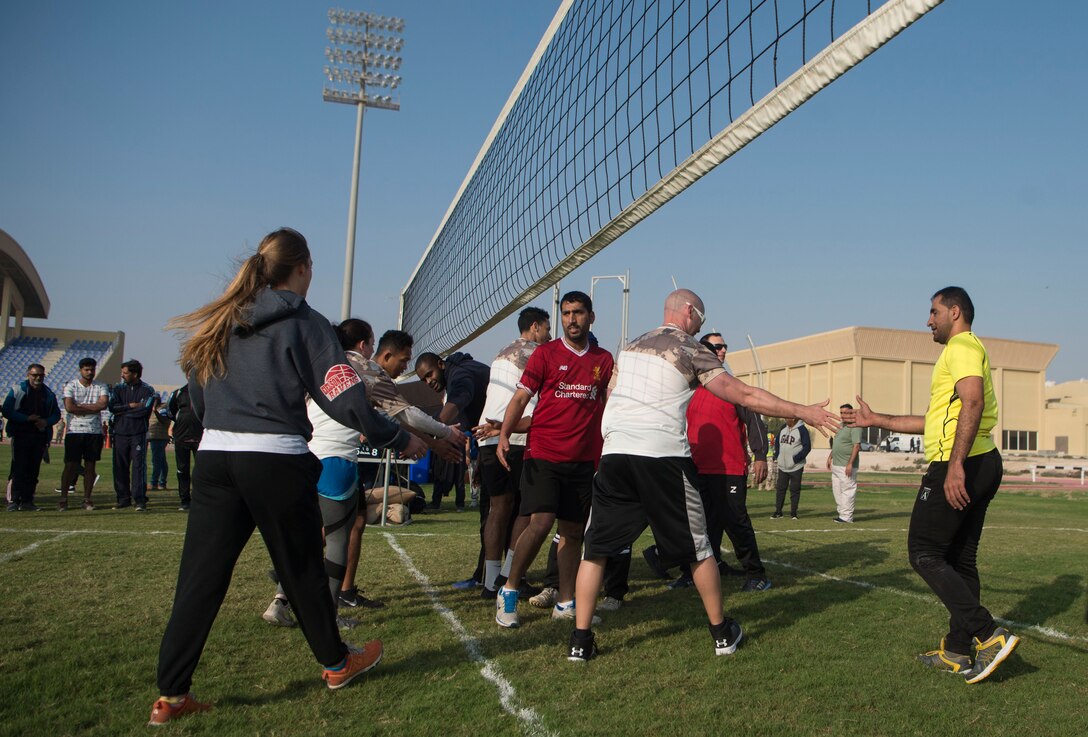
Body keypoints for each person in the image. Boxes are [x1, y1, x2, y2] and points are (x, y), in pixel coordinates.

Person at [149, 227, 428, 726]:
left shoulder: (222, 318)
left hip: (215, 458)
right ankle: (338, 664)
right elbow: (345, 399)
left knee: (199, 580)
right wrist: (397, 438)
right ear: (302, 268)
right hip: (275, 457)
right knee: (302, 570)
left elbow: (195, 395)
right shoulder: (306, 321)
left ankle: (170, 697)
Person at [567, 289, 839, 662]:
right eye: (701, 318)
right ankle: (722, 633)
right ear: (690, 313)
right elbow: (743, 394)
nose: (701, 325)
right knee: (699, 548)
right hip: (661, 455)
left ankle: (580, 641)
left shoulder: (629, 347)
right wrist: (801, 410)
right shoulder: (690, 348)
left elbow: (614, 394)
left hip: (615, 454)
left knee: (595, 549)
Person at [843, 286, 1018, 684]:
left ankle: (989, 635)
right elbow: (932, 421)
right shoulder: (958, 354)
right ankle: (957, 651)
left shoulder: (961, 348)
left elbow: (972, 403)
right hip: (981, 461)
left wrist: (955, 465)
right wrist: (877, 420)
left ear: (954, 312)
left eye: (933, 311)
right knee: (960, 560)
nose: (928, 320)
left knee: (923, 552)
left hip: (964, 463)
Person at [495, 292, 613, 628]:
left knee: (572, 532)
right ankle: (509, 590)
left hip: (583, 459)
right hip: (543, 453)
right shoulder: (545, 354)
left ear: (591, 317)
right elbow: (521, 398)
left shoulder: (604, 360)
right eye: (566, 313)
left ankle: (565, 601)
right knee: (541, 522)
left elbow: (607, 402)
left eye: (578, 313)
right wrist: (504, 435)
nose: (571, 319)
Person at [340, 325, 464, 608]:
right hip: (333, 455)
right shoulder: (369, 371)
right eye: (404, 360)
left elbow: (396, 421)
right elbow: (407, 415)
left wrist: (431, 443)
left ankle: (342, 591)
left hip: (329, 454)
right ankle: (290, 584)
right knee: (337, 526)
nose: (406, 366)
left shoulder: (343, 366)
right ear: (383, 354)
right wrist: (445, 433)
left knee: (355, 520)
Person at [684, 332, 773, 592]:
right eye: (717, 347)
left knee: (735, 521)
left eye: (724, 347)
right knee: (701, 525)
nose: (723, 351)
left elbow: (755, 421)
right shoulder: (689, 389)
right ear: (702, 350)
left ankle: (757, 574)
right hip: (696, 467)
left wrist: (759, 455)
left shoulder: (731, 387)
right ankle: (704, 570)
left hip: (729, 469)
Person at [474, 307, 550, 598]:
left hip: (490, 435)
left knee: (497, 508)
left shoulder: (501, 352)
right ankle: (509, 574)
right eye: (546, 328)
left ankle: (490, 579)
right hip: (515, 436)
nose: (549, 333)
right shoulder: (538, 354)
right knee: (525, 510)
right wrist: (505, 428)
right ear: (534, 328)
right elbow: (537, 405)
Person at [415, 348, 491, 587]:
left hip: (507, 444)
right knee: (491, 515)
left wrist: (434, 428)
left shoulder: (461, 374)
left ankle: (495, 577)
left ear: (441, 364)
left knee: (496, 516)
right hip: (491, 444)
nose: (429, 382)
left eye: (429, 375)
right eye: (423, 380)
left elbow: (462, 395)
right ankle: (488, 575)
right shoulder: (462, 371)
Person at [2, 364, 61, 512]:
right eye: (35, 375)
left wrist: (46, 422)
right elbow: (7, 410)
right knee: (18, 468)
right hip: (20, 434)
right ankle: (14, 501)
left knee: (33, 470)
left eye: (41, 375)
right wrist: (26, 418)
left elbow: (56, 414)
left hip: (39, 435)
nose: (38, 378)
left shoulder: (48, 394)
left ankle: (28, 501)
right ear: (28, 374)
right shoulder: (18, 390)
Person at [108, 359, 159, 511]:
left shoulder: (147, 389)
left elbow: (144, 410)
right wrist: (129, 406)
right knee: (119, 467)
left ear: (135, 374)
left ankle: (140, 500)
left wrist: (122, 412)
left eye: (125, 373)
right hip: (120, 433)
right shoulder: (118, 389)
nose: (122, 375)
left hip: (138, 433)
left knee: (138, 467)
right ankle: (123, 498)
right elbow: (112, 407)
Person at [59, 357, 109, 511]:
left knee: (90, 467)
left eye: (92, 369)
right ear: (80, 370)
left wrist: (80, 406)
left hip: (94, 431)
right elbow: (69, 407)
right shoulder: (71, 385)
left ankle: (87, 499)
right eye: (86, 369)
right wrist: (92, 407)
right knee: (70, 465)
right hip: (74, 431)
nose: (89, 372)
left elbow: (103, 404)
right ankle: (63, 498)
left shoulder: (101, 386)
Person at [167, 383, 203, 511]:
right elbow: (170, 411)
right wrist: (178, 425)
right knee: (182, 470)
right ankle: (185, 500)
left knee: (202, 470)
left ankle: (200, 499)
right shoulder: (179, 393)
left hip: (201, 437)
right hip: (181, 437)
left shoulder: (205, 390)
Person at [827, 404, 862, 523]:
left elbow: (856, 446)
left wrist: (850, 463)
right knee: (837, 490)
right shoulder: (841, 427)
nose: (843, 415)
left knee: (848, 489)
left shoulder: (855, 427)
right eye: (841, 413)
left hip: (846, 465)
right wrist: (830, 456)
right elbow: (837, 444)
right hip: (836, 464)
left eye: (846, 413)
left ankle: (847, 517)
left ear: (852, 413)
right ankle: (841, 514)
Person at [771, 418, 810, 519]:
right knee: (780, 489)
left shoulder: (802, 430)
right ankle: (778, 512)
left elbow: (807, 447)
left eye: (788, 417)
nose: (786, 419)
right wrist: (777, 455)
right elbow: (777, 443)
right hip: (782, 466)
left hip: (796, 466)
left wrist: (796, 459)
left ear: (794, 419)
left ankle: (793, 513)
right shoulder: (783, 428)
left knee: (794, 490)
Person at [147, 402, 171, 490]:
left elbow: (164, 420)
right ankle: (162, 483)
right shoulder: (152, 408)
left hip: (159, 436)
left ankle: (154, 482)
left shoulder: (163, 408)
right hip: (155, 436)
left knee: (156, 460)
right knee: (162, 460)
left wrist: (155, 411)